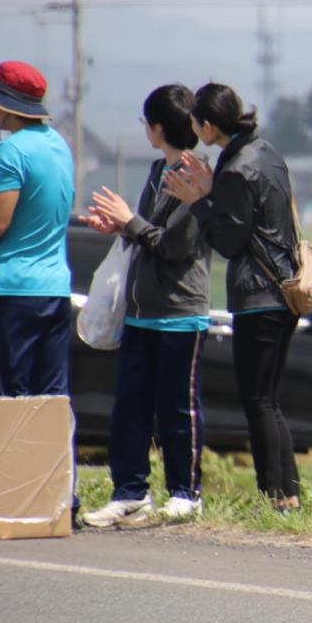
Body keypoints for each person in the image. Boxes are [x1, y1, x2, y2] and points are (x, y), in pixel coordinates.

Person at [162, 83, 302, 513]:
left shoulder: (236, 166)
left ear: (206, 125)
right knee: (270, 399)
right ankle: (288, 494)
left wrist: (199, 201)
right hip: (285, 291)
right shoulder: (265, 151)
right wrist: (213, 191)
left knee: (257, 401)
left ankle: (273, 497)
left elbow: (229, 238)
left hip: (258, 296)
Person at [79, 85, 212, 528]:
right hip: (140, 310)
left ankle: (185, 493)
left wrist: (130, 222)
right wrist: (118, 227)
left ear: (157, 128)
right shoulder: (158, 171)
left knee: (177, 407)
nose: (146, 131)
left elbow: (176, 245)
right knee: (130, 404)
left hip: (180, 311)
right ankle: (130, 492)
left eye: (146, 123)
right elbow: (144, 234)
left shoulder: (198, 177)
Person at [0, 61, 74, 398]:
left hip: (9, 290)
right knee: (49, 396)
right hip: (53, 288)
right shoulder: (58, 146)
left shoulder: (10, 150)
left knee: (0, 396)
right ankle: (52, 454)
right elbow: (27, 206)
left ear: (6, 106)